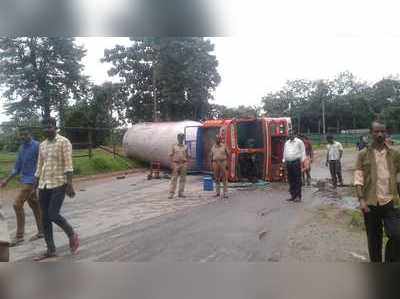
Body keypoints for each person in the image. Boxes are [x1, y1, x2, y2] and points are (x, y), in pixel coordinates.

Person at [33, 117, 79, 261]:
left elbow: (68, 164)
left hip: (59, 183)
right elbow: (40, 166)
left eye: (49, 126)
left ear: (55, 126)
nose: (47, 129)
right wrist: (35, 185)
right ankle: (50, 249)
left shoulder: (63, 142)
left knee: (53, 214)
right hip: (44, 184)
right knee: (44, 218)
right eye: (44, 127)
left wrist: (70, 184)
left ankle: (71, 233)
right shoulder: (42, 145)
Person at [354, 121, 400, 263]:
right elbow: (358, 178)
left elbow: (398, 176)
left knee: (396, 235)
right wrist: (361, 200)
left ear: (386, 133)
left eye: (382, 131)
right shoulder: (363, 154)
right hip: (370, 202)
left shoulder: (395, 153)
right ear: (371, 133)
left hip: (390, 201)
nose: (380, 134)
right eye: (376, 131)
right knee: (374, 240)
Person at [0, 128, 43, 247]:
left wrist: (37, 183)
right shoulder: (21, 148)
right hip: (25, 180)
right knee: (35, 205)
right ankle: (42, 232)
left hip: (32, 181)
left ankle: (19, 236)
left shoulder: (38, 146)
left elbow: (43, 164)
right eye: (21, 135)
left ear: (30, 134)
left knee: (17, 204)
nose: (23, 137)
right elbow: (17, 167)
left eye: (26, 134)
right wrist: (6, 180)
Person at [282, 131, 306, 202]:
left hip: (296, 163)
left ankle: (298, 196)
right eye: (289, 134)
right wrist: (284, 161)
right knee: (291, 179)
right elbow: (284, 152)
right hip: (288, 163)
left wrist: (302, 162)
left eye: (292, 134)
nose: (290, 135)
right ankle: (293, 196)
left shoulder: (299, 142)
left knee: (297, 180)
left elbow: (303, 152)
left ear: (294, 135)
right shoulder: (287, 143)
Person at [168, 133, 189, 199]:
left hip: (183, 163)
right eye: (179, 137)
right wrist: (171, 163)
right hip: (176, 163)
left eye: (182, 138)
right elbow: (170, 155)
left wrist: (187, 163)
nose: (181, 139)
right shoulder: (174, 146)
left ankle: (181, 192)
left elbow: (188, 155)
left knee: (183, 178)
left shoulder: (186, 146)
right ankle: (171, 193)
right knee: (174, 178)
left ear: (183, 139)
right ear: (177, 138)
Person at [210, 135, 229, 199]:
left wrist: (227, 164)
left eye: (219, 139)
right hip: (215, 163)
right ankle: (217, 192)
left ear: (220, 139)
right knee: (216, 178)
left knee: (224, 178)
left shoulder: (224, 146)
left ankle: (225, 193)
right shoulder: (213, 147)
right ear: (215, 140)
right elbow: (211, 156)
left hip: (223, 162)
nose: (218, 140)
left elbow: (228, 155)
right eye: (216, 139)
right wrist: (211, 164)